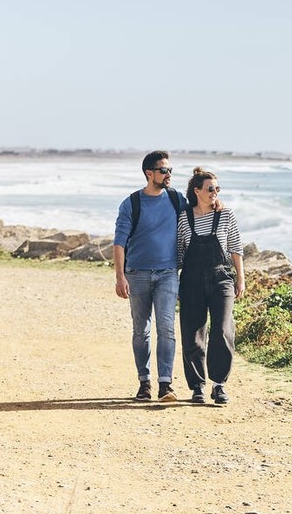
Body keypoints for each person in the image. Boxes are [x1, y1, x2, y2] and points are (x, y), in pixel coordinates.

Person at [114, 150, 188, 402]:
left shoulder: (176, 199)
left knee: (166, 328)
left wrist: (216, 204)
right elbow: (119, 243)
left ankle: (165, 385)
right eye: (164, 170)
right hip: (136, 274)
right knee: (141, 330)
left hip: (168, 273)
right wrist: (120, 277)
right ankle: (144, 383)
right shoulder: (131, 203)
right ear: (149, 173)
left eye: (170, 170)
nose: (169, 175)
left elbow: (198, 213)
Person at [177, 167, 245, 405]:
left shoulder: (226, 214)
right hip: (191, 279)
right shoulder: (184, 217)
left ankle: (219, 384)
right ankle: (197, 387)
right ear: (197, 191)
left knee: (223, 330)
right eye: (210, 188)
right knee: (192, 333)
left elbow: (236, 248)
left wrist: (241, 279)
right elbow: (179, 251)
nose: (215, 192)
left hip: (221, 278)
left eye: (217, 188)